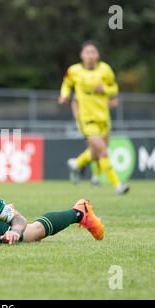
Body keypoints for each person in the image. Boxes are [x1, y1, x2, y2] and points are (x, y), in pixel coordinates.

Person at [58, 40, 129, 195]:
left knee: (96, 152)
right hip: (86, 119)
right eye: (87, 52)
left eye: (93, 52)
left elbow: (114, 87)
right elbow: (66, 83)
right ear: (81, 55)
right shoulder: (74, 71)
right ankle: (118, 185)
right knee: (103, 151)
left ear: (97, 55)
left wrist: (105, 90)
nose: (90, 55)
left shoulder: (105, 70)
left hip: (104, 118)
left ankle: (77, 163)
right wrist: (64, 95)